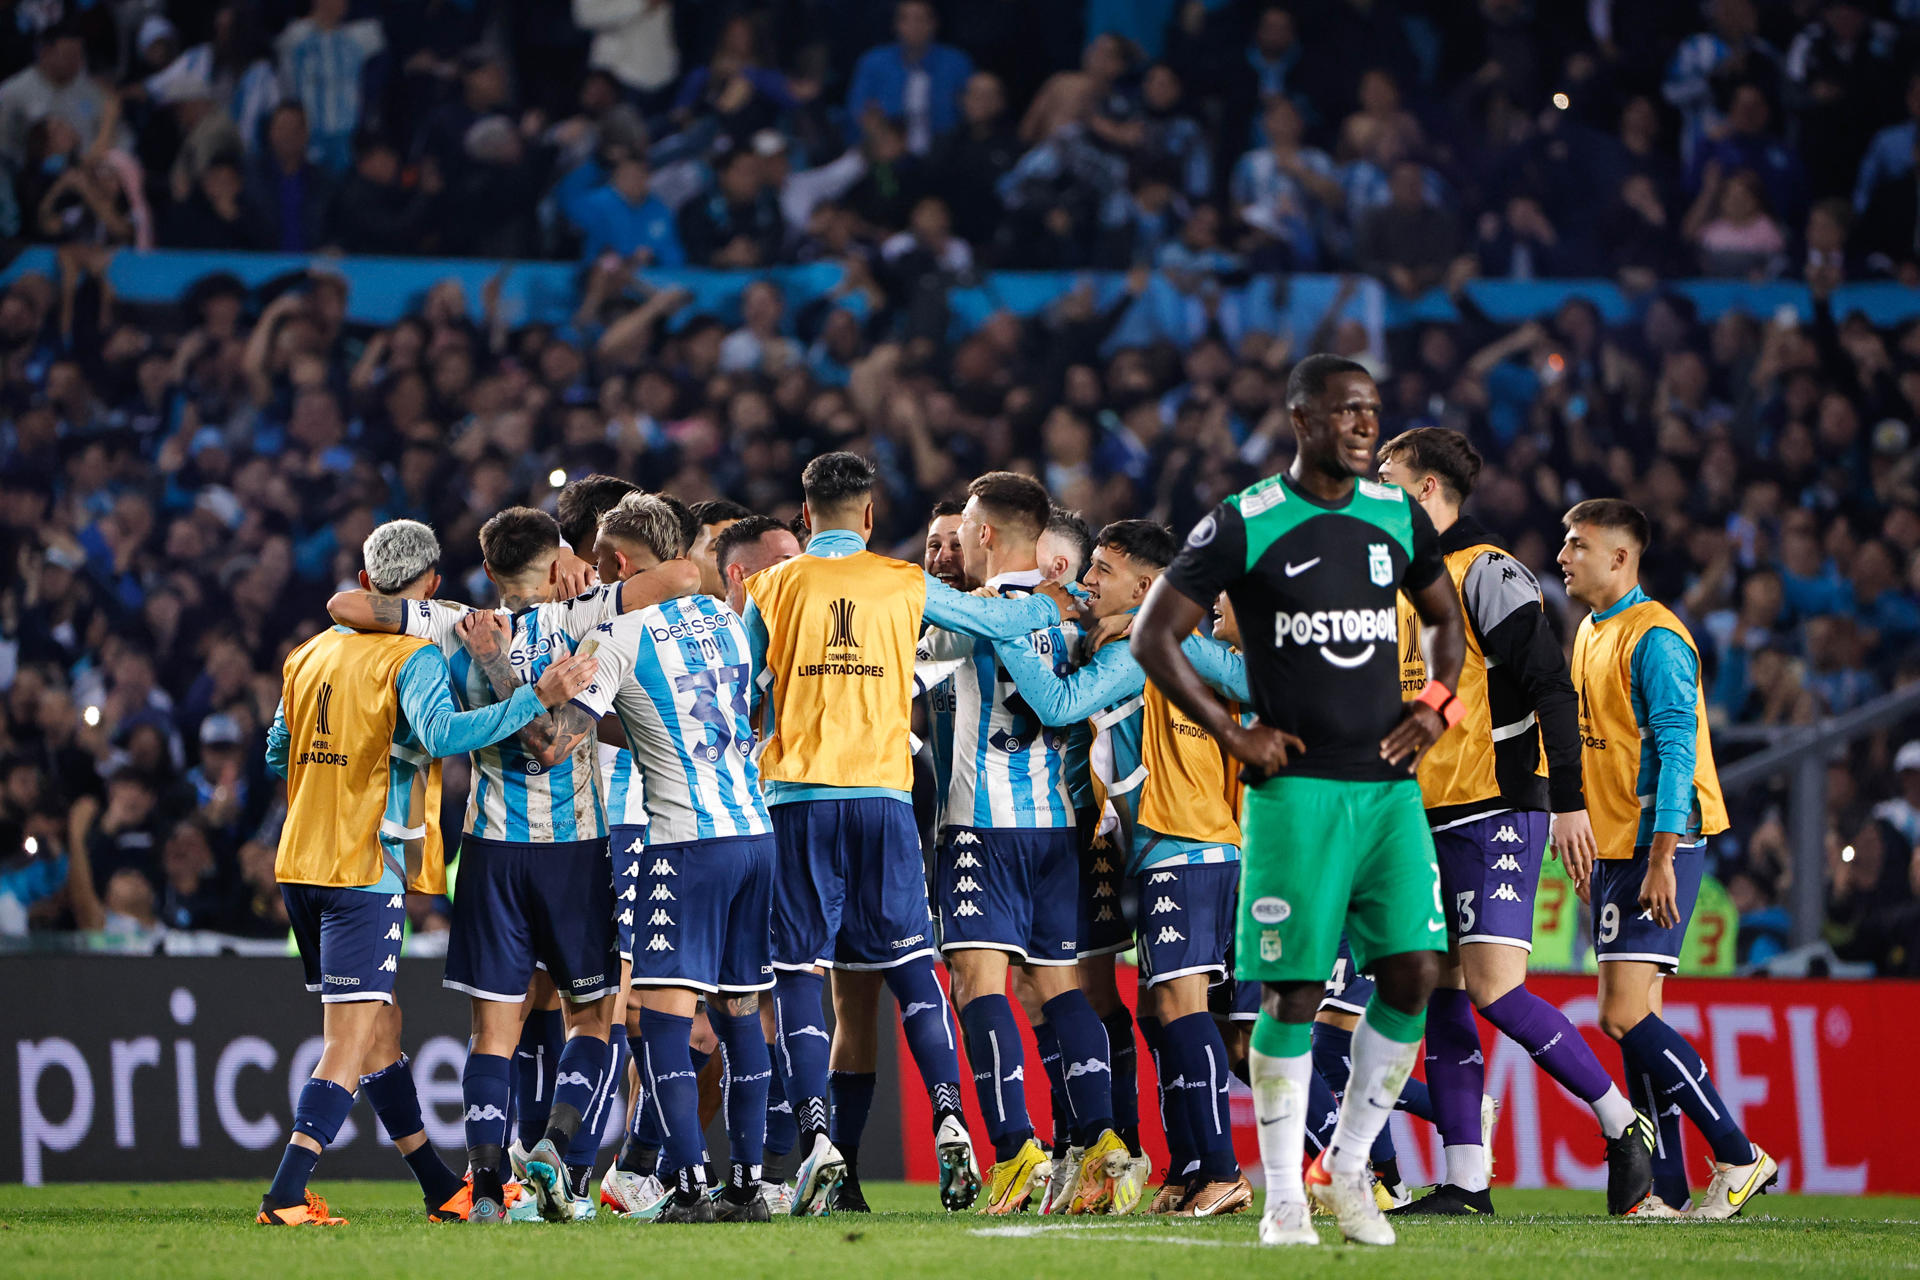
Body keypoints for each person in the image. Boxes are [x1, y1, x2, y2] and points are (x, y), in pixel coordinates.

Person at [1131, 353, 1466, 1248]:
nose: (1364, 424)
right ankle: (1283, 1199)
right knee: (1291, 993)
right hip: (1294, 796)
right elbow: (1151, 634)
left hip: (1389, 791)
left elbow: (1444, 620)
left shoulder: (1396, 516)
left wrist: (1438, 703)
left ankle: (1348, 1168)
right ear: (1302, 419)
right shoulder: (1246, 521)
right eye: (1347, 411)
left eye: (1372, 410)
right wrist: (1233, 731)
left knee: (1413, 976)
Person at [325, 509, 692, 1223]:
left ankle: (489, 1186)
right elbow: (682, 575)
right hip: (574, 853)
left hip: (490, 855)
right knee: (591, 1020)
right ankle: (555, 1147)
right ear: (558, 561)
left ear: (488, 569)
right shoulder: (584, 610)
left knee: (492, 1035)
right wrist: (590, 580)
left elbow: (344, 604)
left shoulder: (454, 621)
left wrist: (475, 637)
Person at [741, 452, 1072, 1215]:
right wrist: (1057, 602)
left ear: (805, 512)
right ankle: (953, 1117)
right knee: (913, 964)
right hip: (886, 799)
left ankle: (818, 1138)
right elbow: (998, 618)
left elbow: (747, 695)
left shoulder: (770, 588)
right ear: (867, 516)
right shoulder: (904, 582)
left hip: (796, 799)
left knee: (799, 972)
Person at [256, 519, 595, 1226]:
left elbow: (275, 752)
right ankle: (287, 1193)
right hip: (362, 865)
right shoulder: (410, 658)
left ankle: (439, 1184)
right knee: (348, 1042)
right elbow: (443, 735)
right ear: (433, 584)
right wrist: (534, 697)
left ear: (363, 577)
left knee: (381, 1029)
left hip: (299, 861)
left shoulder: (306, 656)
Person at [1376, 428, 1654, 1216]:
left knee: (1496, 989)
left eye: (1387, 476)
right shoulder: (1402, 585)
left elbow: (1547, 684)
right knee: (1443, 991)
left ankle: (1622, 1123)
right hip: (1425, 813)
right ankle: (1467, 1182)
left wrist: (1566, 799)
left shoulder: (1486, 570)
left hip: (1496, 805)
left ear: (1427, 490)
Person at [988, 520, 1253, 1217]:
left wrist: (1011, 626)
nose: (1087, 580)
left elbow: (1058, 704)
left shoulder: (1146, 640)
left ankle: (1225, 1169)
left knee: (1187, 1007)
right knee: (1164, 1007)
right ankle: (1193, 1167)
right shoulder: (1163, 641)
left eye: (1102, 569)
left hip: (1184, 841)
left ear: (1144, 585)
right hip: (1184, 845)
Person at [921, 471, 1134, 1217]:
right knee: (1057, 987)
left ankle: (1015, 1151)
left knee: (978, 986)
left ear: (984, 533)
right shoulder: (1077, 618)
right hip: (1058, 828)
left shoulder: (966, 618)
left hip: (981, 824)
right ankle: (1105, 1143)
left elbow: (904, 670)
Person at [1558, 498, 1777, 1219]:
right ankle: (1669, 1190)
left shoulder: (1657, 637)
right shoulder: (1592, 631)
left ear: (1621, 558)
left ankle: (1739, 1156)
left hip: (1663, 844)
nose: (1564, 555)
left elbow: (1679, 749)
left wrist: (1661, 854)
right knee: (1634, 1018)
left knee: (1622, 1014)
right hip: (1621, 845)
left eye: (1578, 544)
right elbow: (1602, 750)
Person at [573, 492, 778, 1224]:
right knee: (741, 1016)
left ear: (620, 564)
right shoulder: (727, 616)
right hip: (753, 833)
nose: (592, 573)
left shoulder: (619, 635)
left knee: (658, 1021)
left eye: (598, 560)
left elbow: (563, 733)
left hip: (682, 843)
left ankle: (686, 1187)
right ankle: (750, 1185)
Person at [714, 514, 801, 615]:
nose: (800, 574)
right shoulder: (710, 629)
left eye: (800, 562)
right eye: (788, 564)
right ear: (739, 575)